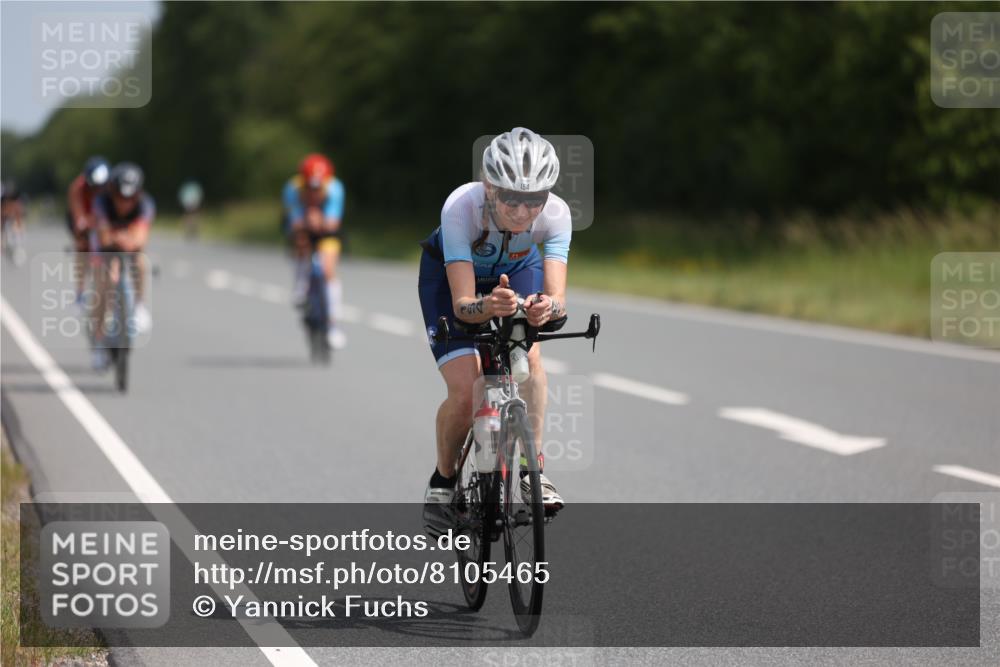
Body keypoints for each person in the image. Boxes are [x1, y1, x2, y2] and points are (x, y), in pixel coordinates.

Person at [419, 127, 570, 534]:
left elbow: (558, 300)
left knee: (530, 363)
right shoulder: (460, 208)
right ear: (490, 187)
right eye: (511, 199)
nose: (523, 212)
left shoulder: (556, 215)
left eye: (535, 199)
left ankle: (530, 471)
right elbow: (464, 304)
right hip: (449, 281)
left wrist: (544, 309)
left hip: (517, 274)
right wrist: (486, 307)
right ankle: (443, 482)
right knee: (468, 389)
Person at [90, 162, 155, 370]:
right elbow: (103, 235)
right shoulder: (101, 202)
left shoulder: (145, 204)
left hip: (129, 242)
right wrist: (120, 238)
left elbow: (141, 238)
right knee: (105, 284)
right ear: (112, 191)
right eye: (120, 196)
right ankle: (99, 344)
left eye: (130, 198)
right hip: (105, 244)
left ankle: (139, 305)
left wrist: (130, 240)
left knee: (141, 261)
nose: (124, 203)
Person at [282, 153, 347, 349]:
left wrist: (320, 221)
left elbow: (333, 222)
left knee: (328, 271)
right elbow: (294, 223)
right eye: (309, 187)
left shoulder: (335, 189)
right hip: (302, 226)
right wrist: (306, 221)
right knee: (300, 240)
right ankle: (300, 284)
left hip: (326, 229)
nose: (313, 192)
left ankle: (333, 326)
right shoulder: (292, 189)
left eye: (318, 188)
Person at [66, 157, 110, 301]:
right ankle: (80, 290)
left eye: (101, 187)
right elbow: (79, 218)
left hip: (101, 218)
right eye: (94, 187)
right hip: (83, 215)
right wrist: (83, 227)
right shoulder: (77, 187)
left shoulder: (112, 186)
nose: (98, 191)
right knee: (82, 247)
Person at [1, 180, 26, 265]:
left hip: (14, 221)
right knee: (8, 240)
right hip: (7, 221)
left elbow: (19, 213)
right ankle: (10, 252)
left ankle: (17, 254)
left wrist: (19, 225)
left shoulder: (17, 200)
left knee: (17, 238)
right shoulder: (3, 200)